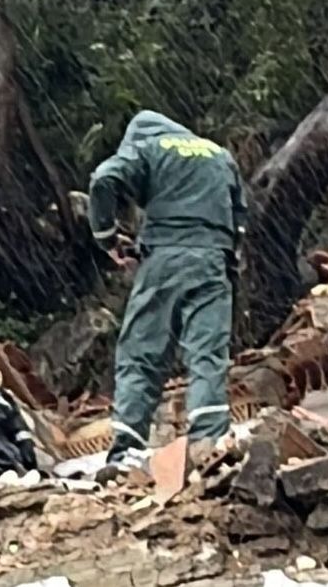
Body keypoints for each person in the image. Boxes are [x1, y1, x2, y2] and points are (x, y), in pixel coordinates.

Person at [88, 109, 247, 473]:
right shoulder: (219, 154)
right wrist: (225, 259)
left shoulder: (147, 147)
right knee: (207, 353)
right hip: (213, 262)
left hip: (166, 258)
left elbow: (102, 179)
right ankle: (210, 442)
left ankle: (127, 450)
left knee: (141, 354)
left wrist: (107, 237)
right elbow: (240, 219)